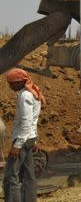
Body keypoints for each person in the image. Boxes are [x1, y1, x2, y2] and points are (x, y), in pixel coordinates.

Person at [3, 68, 44, 202]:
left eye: (11, 83)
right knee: (28, 173)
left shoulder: (25, 95)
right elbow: (34, 120)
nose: (9, 86)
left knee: (11, 175)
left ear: (19, 82)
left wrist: (18, 145)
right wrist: (33, 141)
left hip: (23, 138)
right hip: (29, 138)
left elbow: (26, 122)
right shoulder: (32, 92)